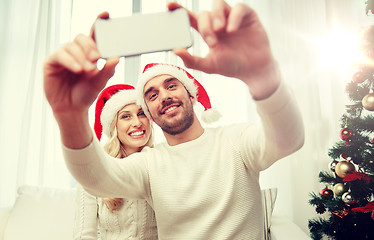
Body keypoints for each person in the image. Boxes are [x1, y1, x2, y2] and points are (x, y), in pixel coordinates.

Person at [44, 0, 305, 239]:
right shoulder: (149, 163)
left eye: (171, 86)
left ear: (192, 96)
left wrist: (263, 75)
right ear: (149, 112)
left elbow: (288, 140)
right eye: (152, 94)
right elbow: (97, 178)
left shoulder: (235, 140)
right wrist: (70, 116)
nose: (164, 97)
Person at [73, 84, 158, 240]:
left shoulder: (161, 163)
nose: (137, 122)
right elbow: (84, 235)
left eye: (141, 114)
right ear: (114, 126)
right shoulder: (95, 172)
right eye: (126, 116)